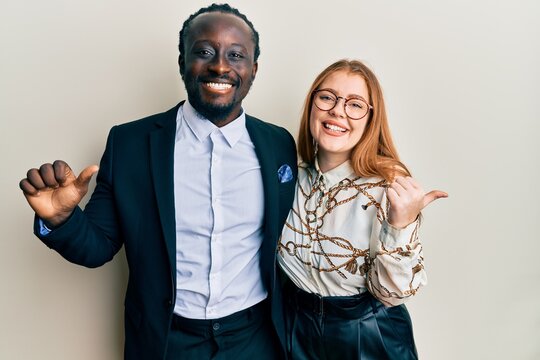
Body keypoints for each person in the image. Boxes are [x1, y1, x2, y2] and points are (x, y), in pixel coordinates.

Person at [19, 4, 297, 359]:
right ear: (182, 62)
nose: (220, 66)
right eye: (204, 52)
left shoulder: (279, 145)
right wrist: (59, 220)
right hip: (167, 341)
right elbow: (98, 246)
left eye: (236, 55)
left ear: (253, 69)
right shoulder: (130, 144)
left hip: (255, 339)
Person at [277, 59, 447, 359]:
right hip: (296, 332)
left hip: (367, 337)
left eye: (355, 104)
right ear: (312, 104)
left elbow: (393, 295)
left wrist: (401, 226)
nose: (338, 111)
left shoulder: (389, 188)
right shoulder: (289, 176)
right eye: (327, 97)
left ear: (371, 118)